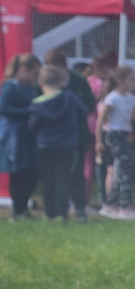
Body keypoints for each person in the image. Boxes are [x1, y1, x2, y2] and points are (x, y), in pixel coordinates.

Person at [28, 65, 89, 222]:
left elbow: (32, 126)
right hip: (67, 144)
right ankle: (62, 213)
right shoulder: (69, 97)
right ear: (61, 81)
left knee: (48, 179)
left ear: (40, 83)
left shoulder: (36, 104)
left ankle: (50, 213)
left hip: (45, 145)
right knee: (63, 177)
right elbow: (84, 112)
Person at [44, 49, 96, 222]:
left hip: (76, 136)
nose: (53, 71)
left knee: (76, 173)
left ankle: (79, 208)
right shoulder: (44, 79)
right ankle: (57, 210)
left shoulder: (78, 81)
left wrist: (71, 115)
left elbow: (89, 104)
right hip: (51, 137)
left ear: (63, 65)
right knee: (54, 175)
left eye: (55, 67)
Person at [95, 66, 135, 220]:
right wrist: (99, 140)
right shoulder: (112, 98)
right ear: (120, 80)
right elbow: (100, 121)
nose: (134, 83)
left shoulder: (129, 97)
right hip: (114, 135)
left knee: (124, 169)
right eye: (131, 79)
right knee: (125, 168)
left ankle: (110, 204)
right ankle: (125, 205)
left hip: (125, 136)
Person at [1, 53, 42, 221]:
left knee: (31, 171)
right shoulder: (12, 86)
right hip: (15, 135)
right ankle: (17, 211)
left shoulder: (30, 87)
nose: (34, 78)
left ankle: (24, 208)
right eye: (33, 73)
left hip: (29, 134)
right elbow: (3, 108)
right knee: (19, 173)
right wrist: (29, 112)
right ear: (24, 69)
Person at [86, 51, 117, 206]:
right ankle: (100, 198)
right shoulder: (98, 84)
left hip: (90, 127)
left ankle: (99, 196)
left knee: (98, 165)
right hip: (96, 129)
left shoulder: (88, 81)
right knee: (96, 165)